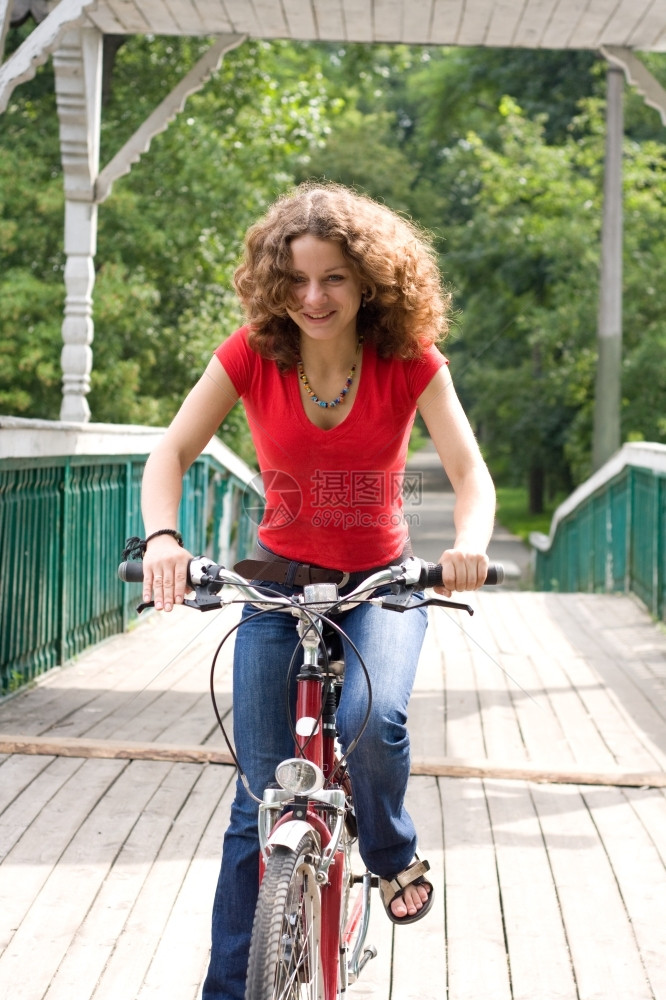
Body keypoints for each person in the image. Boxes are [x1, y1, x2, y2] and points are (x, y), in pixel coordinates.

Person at [139, 181, 496, 1000]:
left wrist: (469, 545)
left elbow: (471, 475)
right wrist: (164, 538)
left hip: (383, 585)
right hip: (278, 589)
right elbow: (170, 455)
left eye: (333, 277)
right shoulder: (251, 355)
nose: (313, 296)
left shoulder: (410, 362)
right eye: (296, 278)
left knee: (373, 720)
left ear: (368, 279)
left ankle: (390, 848)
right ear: (275, 281)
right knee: (258, 803)